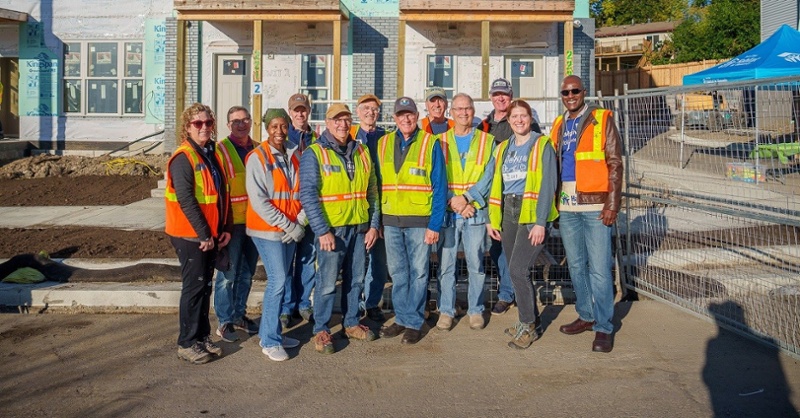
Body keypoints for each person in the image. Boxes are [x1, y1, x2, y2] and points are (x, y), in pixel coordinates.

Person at [300, 103, 381, 354]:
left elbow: (373, 192)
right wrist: (322, 230)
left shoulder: (362, 151)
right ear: (327, 122)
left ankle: (351, 322)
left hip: (359, 227)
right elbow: (308, 194)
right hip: (332, 231)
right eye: (337, 120)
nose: (342, 124)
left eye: (346, 119)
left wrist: (373, 225)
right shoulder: (315, 153)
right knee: (326, 282)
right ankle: (322, 330)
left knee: (356, 279)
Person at [550, 75, 622, 353]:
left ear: (584, 92)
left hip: (595, 205)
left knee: (600, 269)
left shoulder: (601, 119)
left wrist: (612, 204)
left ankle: (603, 327)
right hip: (567, 206)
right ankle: (586, 314)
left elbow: (615, 164)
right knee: (576, 266)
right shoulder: (558, 124)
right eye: (565, 92)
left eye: (575, 91)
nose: (570, 96)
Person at [485, 99, 558, 349]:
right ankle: (528, 320)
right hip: (508, 213)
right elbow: (495, 184)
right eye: (514, 116)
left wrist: (540, 222)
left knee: (518, 270)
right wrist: (491, 219)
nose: (518, 120)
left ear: (530, 118)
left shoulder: (541, 144)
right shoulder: (504, 148)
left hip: (530, 215)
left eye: (523, 116)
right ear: (509, 120)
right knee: (514, 272)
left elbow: (549, 185)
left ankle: (528, 327)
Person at [165, 103, 233, 364]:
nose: (204, 127)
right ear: (187, 127)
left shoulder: (209, 153)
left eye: (208, 123)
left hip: (210, 234)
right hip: (190, 236)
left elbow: (220, 195)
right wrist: (205, 235)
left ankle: (201, 337)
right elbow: (186, 200)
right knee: (194, 288)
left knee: (205, 287)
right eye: (198, 123)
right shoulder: (184, 158)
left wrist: (224, 229)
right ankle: (186, 343)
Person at [377, 97, 447, 345]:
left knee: (418, 273)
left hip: (420, 221)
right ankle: (402, 317)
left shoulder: (430, 143)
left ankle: (414, 322)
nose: (406, 119)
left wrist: (434, 224)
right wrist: (379, 222)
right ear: (395, 118)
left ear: (417, 116)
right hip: (391, 221)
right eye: (401, 115)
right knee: (398, 273)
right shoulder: (383, 143)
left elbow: (440, 187)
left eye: (410, 114)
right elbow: (378, 185)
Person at [245, 108, 304, 362]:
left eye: (283, 126)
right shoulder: (257, 157)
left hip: (291, 227)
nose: (279, 131)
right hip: (267, 230)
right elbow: (259, 201)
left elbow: (303, 190)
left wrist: (299, 220)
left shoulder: (295, 153)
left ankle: (275, 333)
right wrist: (288, 225)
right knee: (278, 280)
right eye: (274, 127)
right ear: (266, 128)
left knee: (284, 278)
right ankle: (268, 340)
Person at [435, 93, 495, 331]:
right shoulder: (439, 141)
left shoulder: (486, 141)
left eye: (468, 108)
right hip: (450, 214)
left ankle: (476, 310)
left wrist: (468, 199)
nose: (464, 113)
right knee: (446, 265)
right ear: (451, 112)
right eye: (459, 109)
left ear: (473, 110)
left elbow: (489, 175)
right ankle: (446, 311)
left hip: (475, 212)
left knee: (476, 265)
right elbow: (437, 177)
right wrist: (454, 202)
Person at [213, 106, 260, 343]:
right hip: (232, 223)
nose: (241, 124)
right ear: (228, 125)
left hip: (255, 222)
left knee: (247, 274)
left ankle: (239, 314)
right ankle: (224, 321)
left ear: (251, 122)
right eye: (235, 121)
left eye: (245, 120)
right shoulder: (220, 150)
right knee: (227, 276)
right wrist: (222, 226)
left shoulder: (259, 148)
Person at [350, 94, 388, 322]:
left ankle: (372, 303)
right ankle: (354, 305)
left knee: (379, 262)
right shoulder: (350, 135)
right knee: (357, 262)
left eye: (374, 109)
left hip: (380, 204)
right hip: (356, 206)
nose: (370, 112)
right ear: (358, 111)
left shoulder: (386, 137)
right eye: (366, 108)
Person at [283, 93, 317, 327]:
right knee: (285, 261)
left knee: (307, 257)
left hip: (311, 209)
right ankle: (286, 307)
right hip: (288, 210)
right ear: (290, 112)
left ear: (309, 111)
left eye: (303, 110)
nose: (300, 114)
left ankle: (303, 304)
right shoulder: (283, 138)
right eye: (296, 110)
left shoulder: (317, 139)